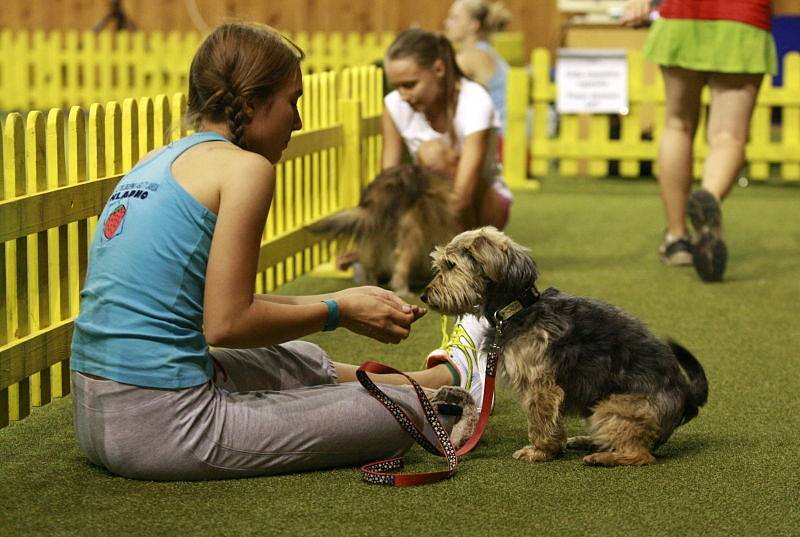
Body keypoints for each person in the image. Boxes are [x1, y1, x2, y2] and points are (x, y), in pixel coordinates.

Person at [68, 22, 483, 482]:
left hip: (95, 418)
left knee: (298, 356)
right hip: (166, 427)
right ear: (249, 105)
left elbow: (216, 308)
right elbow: (227, 324)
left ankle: (435, 381)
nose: (299, 120)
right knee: (395, 413)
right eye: (293, 101)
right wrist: (335, 311)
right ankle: (426, 398)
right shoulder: (246, 169)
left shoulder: (157, 161)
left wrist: (347, 303)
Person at [622, 0, 777, 281]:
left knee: (677, 125)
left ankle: (677, 239)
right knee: (728, 135)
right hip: (743, 16)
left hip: (682, 14)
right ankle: (710, 196)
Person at [382, 28, 512, 232]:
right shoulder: (393, 105)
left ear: (439, 69)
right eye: (396, 86)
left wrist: (413, 231)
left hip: (485, 206)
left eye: (409, 85)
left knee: (433, 154)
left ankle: (469, 251)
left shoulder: (475, 99)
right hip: (433, 203)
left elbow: (463, 196)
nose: (403, 95)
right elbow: (387, 183)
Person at [444, 0, 511, 136]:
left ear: (473, 25)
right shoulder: (485, 51)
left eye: (454, 18)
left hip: (501, 136)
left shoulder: (472, 57)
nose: (446, 23)